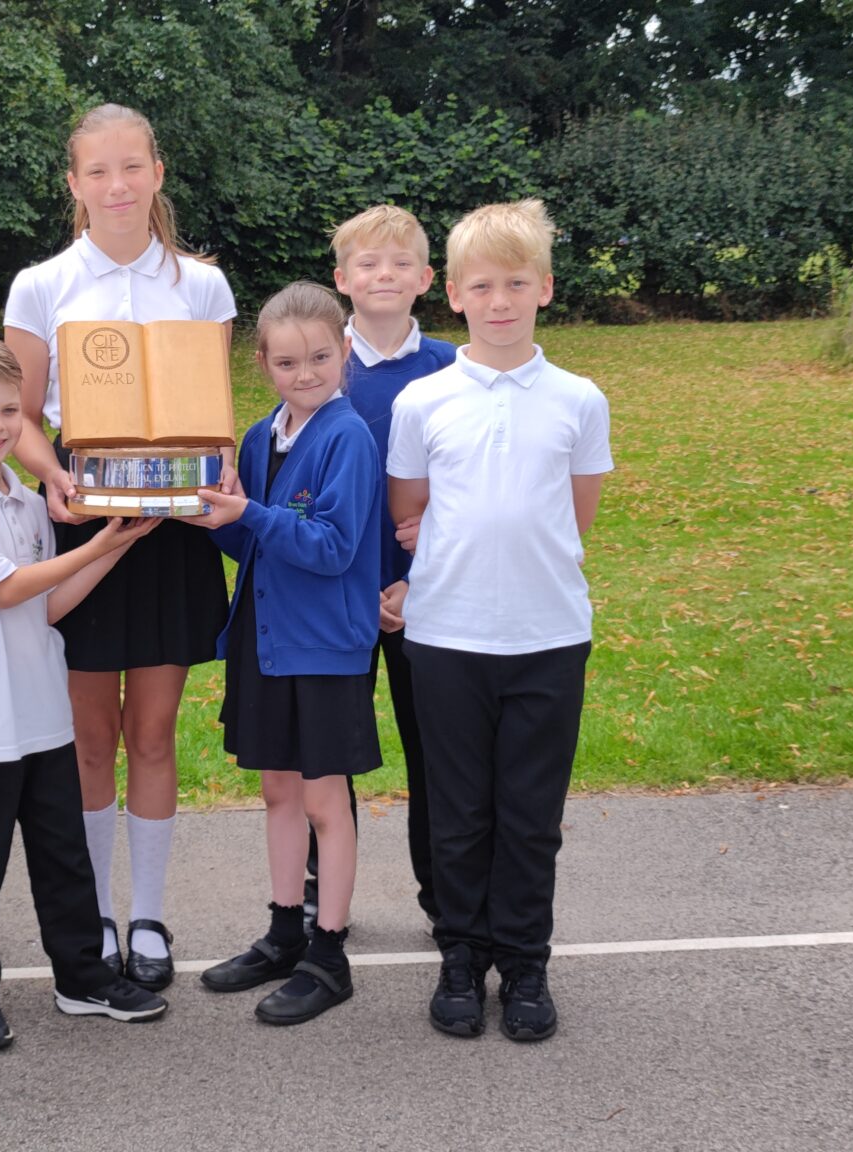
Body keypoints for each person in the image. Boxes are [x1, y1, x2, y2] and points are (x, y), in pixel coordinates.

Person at [1, 103, 237, 989]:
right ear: (74, 184)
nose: (116, 186)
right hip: (85, 517)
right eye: (97, 172)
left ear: (156, 173)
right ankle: (97, 911)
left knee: (155, 730)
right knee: (89, 736)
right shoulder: (42, 283)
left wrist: (218, 474)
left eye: (131, 167)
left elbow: (212, 418)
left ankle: (148, 917)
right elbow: (24, 417)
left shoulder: (203, 286)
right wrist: (54, 481)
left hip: (173, 525)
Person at [387, 200, 612, 1043]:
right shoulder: (424, 401)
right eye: (483, 285)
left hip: (547, 637)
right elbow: (410, 509)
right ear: (453, 294)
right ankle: (459, 957)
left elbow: (574, 516)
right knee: (459, 811)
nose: (501, 299)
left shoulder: (579, 399)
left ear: (545, 289)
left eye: (517, 283)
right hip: (446, 637)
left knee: (529, 814)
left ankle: (524, 963)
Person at [0, 335, 173, 1050]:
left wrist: (115, 544)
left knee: (64, 859)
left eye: (7, 410)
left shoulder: (27, 504)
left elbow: (47, 605)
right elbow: (1, 591)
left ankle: (81, 978)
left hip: (42, 713)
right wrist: (91, 546)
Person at [188, 284, 384, 1025]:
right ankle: (283, 931)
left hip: (325, 645)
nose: (305, 373)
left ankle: (329, 954)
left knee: (323, 800)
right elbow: (252, 544)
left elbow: (332, 548)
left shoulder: (348, 437)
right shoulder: (258, 436)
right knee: (277, 791)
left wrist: (255, 514)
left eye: (320, 358)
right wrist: (215, 515)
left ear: (345, 353)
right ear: (263, 365)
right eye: (287, 361)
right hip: (263, 638)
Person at [329, 205, 458, 925]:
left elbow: (469, 487)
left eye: (400, 263)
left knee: (435, 755)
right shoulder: (321, 363)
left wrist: (419, 576)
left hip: (425, 597)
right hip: (337, 597)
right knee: (328, 757)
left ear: (426, 278)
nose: (384, 275)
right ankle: (324, 906)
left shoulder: (453, 367)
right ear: (342, 278)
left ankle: (447, 904)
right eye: (368, 264)